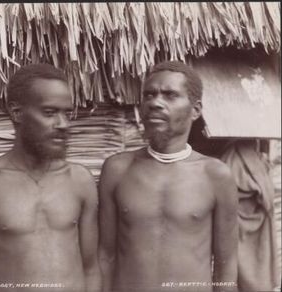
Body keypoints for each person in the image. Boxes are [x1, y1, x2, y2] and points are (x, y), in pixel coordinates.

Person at [0, 64, 100, 292]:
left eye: (67, 113)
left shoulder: (80, 181)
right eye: (50, 113)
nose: (63, 124)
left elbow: (91, 268)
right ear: (17, 113)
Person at [98, 61, 238, 292]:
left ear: (196, 110)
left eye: (170, 95)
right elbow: (105, 255)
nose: (155, 102)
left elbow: (226, 264)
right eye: (149, 95)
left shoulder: (216, 175)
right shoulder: (117, 169)